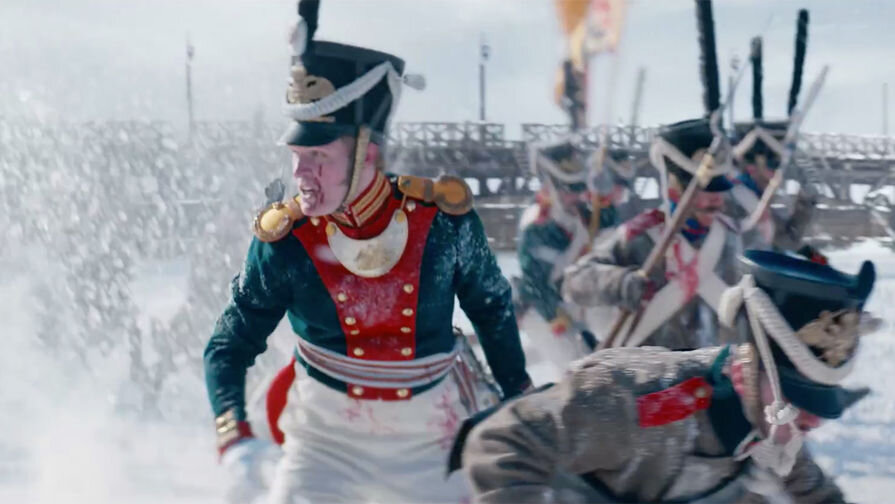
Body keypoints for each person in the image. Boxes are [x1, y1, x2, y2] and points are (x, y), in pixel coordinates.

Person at [203, 2, 530, 502]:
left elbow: (491, 307)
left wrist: (518, 396)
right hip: (322, 446)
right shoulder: (286, 241)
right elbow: (229, 343)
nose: (300, 175)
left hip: (434, 442)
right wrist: (233, 436)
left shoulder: (443, 223)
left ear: (367, 153)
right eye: (296, 156)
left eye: (318, 155)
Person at [461, 249, 876, 503]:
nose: (813, 421)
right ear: (749, 368)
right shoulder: (649, 401)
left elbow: (811, 488)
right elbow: (503, 440)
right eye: (799, 398)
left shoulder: (774, 425)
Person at [562, 118, 744, 350]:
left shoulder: (730, 235)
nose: (716, 199)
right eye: (705, 191)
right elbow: (575, 281)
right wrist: (622, 283)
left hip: (717, 363)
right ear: (675, 187)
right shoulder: (642, 234)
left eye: (719, 190)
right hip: (653, 365)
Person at [728, 11, 818, 253]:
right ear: (751, 165)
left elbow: (787, 240)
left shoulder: (756, 204)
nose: (776, 174)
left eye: (776, 165)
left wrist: (805, 203)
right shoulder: (730, 202)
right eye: (771, 165)